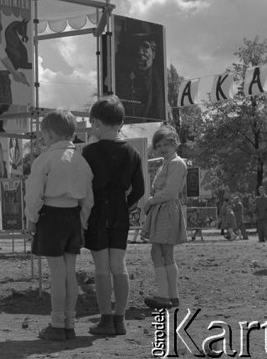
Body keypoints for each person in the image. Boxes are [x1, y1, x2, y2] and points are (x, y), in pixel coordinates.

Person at [25, 110, 93, 341]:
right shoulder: (82, 161)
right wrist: (81, 222)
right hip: (73, 216)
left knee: (56, 275)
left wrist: (31, 219)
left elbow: (34, 195)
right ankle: (69, 323)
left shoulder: (44, 160)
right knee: (69, 273)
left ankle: (56, 324)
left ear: (50, 134)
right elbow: (88, 200)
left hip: (51, 217)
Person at [82, 96, 145, 336]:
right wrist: (125, 205)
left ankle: (105, 319)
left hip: (97, 211)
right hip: (120, 212)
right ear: (121, 122)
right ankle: (120, 319)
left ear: (96, 122)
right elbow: (138, 189)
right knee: (119, 266)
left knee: (101, 268)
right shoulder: (132, 153)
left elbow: (83, 187)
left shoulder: (88, 152)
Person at [141, 126, 187, 310]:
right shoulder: (168, 163)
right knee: (165, 253)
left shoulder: (176, 163)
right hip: (164, 208)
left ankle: (164, 295)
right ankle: (171, 295)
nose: (162, 148)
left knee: (159, 252)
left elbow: (170, 191)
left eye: (166, 144)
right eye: (159, 145)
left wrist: (151, 201)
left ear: (175, 143)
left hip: (166, 208)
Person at [114, 19, 166, 122]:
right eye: (135, 45)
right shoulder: (119, 78)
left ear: (154, 53)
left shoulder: (159, 85)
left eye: (145, 46)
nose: (139, 52)